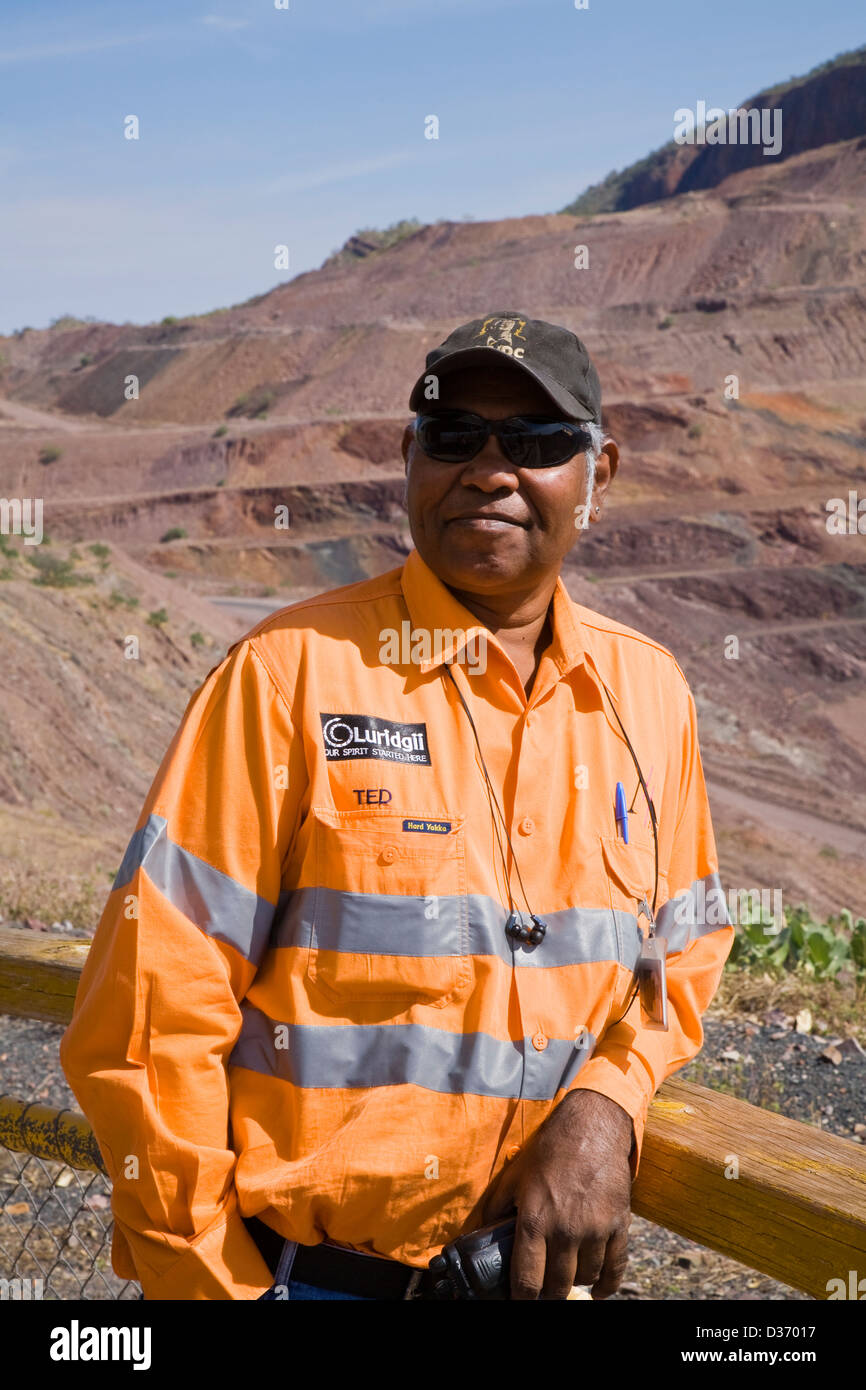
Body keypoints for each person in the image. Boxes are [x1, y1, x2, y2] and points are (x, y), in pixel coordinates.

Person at [60, 311, 733, 1301]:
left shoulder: (648, 696)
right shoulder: (285, 677)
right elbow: (145, 1024)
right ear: (407, 457)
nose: (491, 470)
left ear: (602, 473)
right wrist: (210, 1288)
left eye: (538, 444)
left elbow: (684, 950)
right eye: (454, 436)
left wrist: (608, 1100)